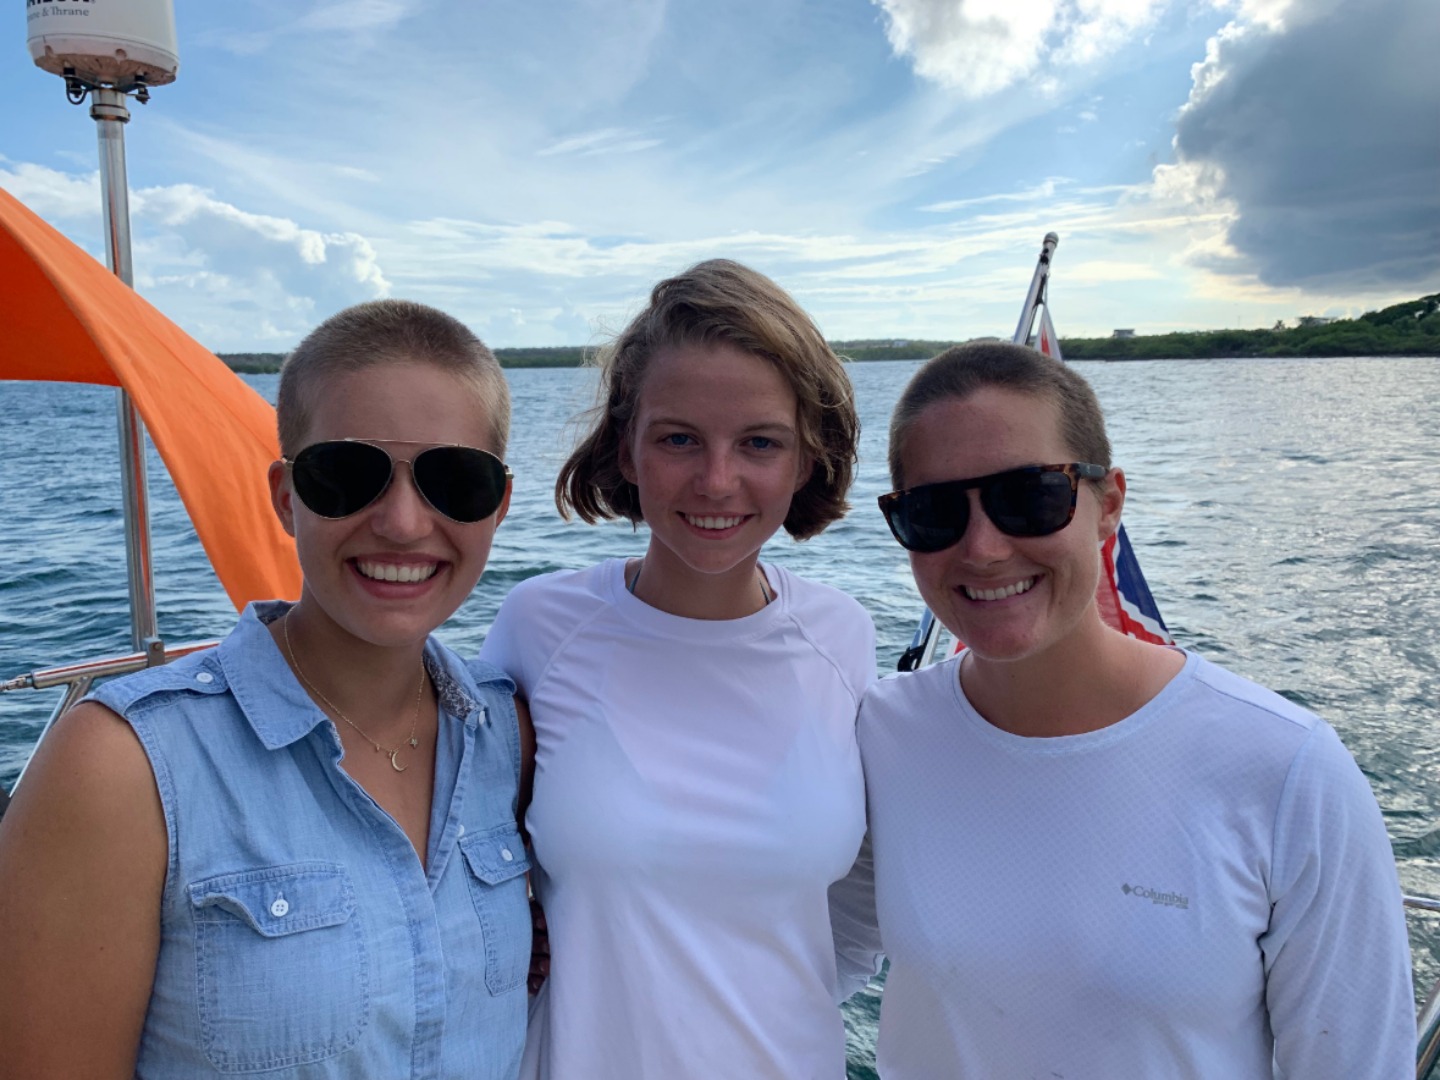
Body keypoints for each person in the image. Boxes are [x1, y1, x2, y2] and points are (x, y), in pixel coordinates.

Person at [830, 340, 1416, 1078]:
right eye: (935, 511)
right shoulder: (881, 736)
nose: (982, 548)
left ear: (1108, 505)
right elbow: (803, 959)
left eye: (1029, 497)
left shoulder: (1285, 769)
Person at [0, 300, 533, 1078]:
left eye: (456, 480)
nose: (403, 522)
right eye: (346, 475)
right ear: (287, 497)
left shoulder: (508, 735)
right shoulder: (124, 768)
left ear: (499, 506)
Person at [477, 259, 875, 1078]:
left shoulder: (844, 639)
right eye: (679, 439)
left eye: (759, 442)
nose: (717, 480)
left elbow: (862, 909)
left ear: (806, 459)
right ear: (625, 450)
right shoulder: (540, 628)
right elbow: (467, 845)